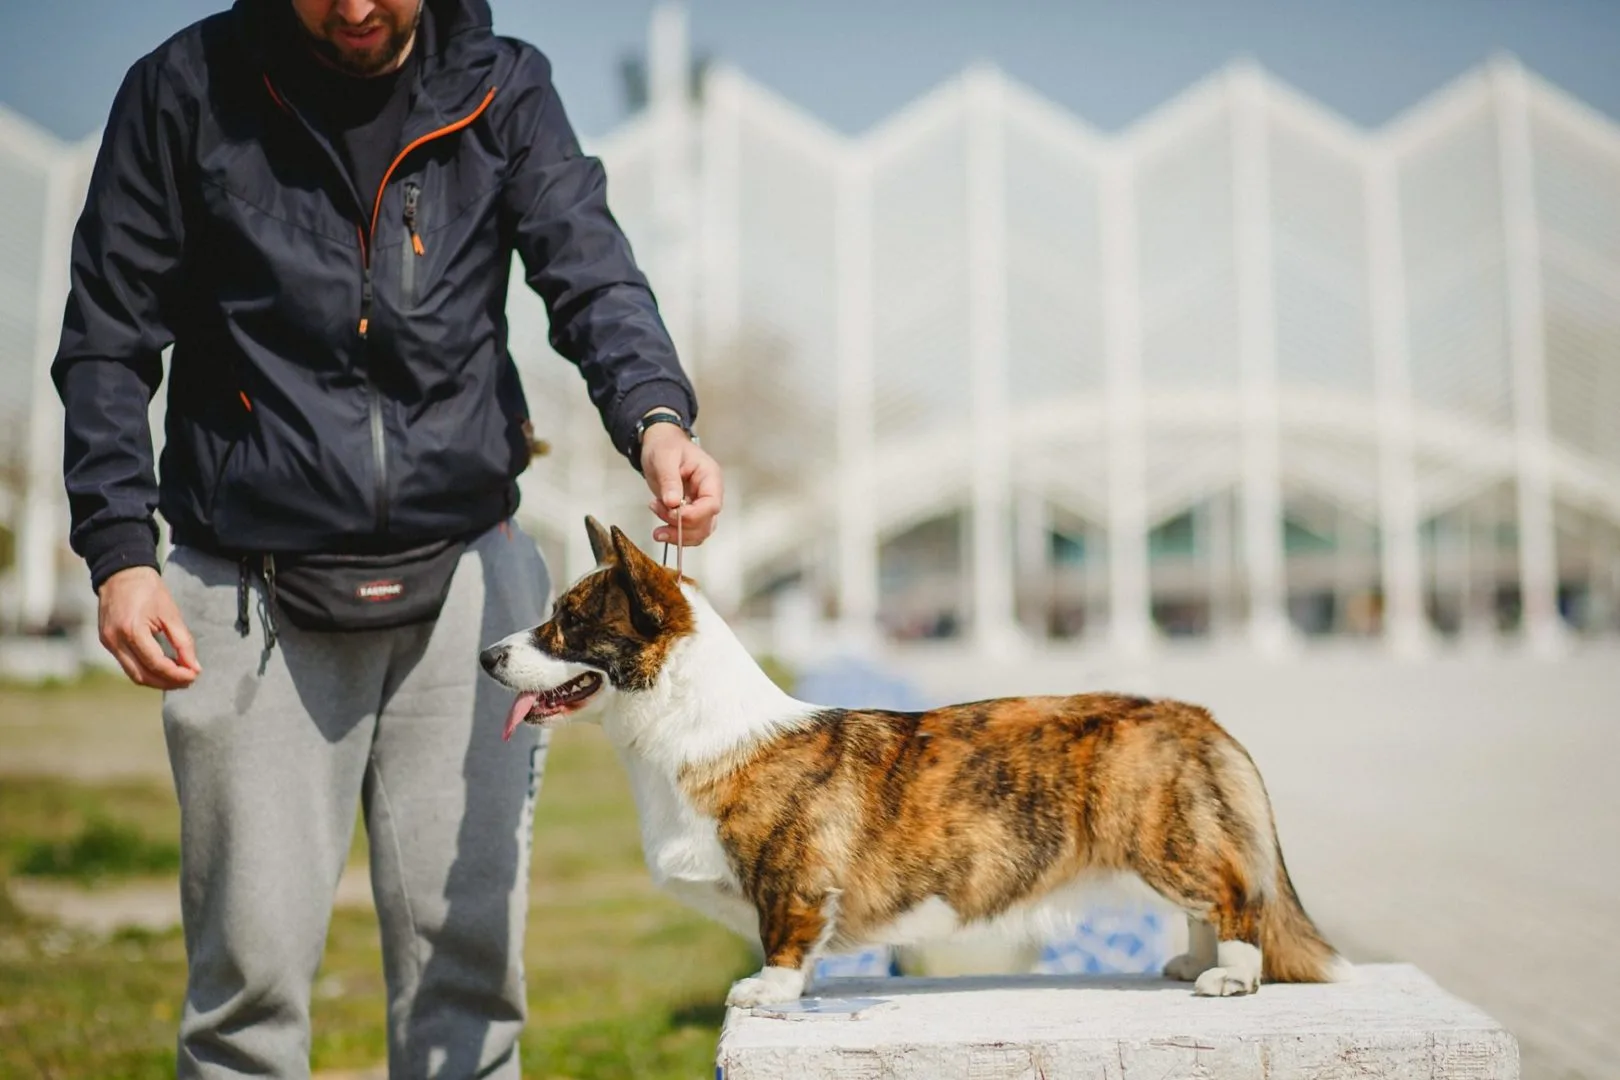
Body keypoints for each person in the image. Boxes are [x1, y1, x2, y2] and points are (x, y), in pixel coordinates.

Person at [51, 0, 723, 1075]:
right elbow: (105, 341)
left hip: (470, 584)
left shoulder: (507, 86)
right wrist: (122, 553)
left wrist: (656, 418)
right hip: (247, 588)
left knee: (470, 979)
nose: (357, 9)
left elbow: (590, 272)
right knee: (247, 993)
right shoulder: (181, 91)